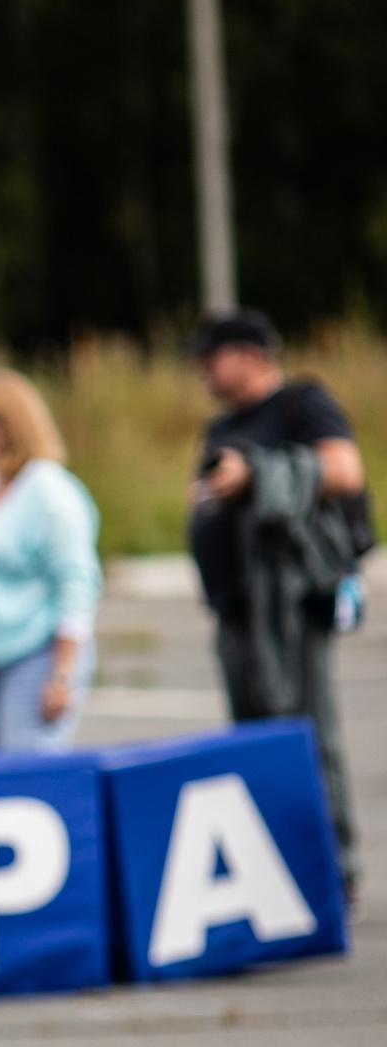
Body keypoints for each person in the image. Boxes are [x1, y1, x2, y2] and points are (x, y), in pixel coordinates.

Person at [186, 309, 370, 901]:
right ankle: (275, 875)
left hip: (290, 607)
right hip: (237, 607)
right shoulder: (222, 424)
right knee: (254, 743)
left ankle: (334, 873)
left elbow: (345, 469)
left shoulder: (301, 402)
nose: (203, 370)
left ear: (248, 355)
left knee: (308, 734)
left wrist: (255, 475)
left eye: (211, 357)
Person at [0, 370, 103, 752]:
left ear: (4, 426)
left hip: (33, 658)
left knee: (24, 776)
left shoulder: (50, 491)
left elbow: (76, 583)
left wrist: (62, 676)